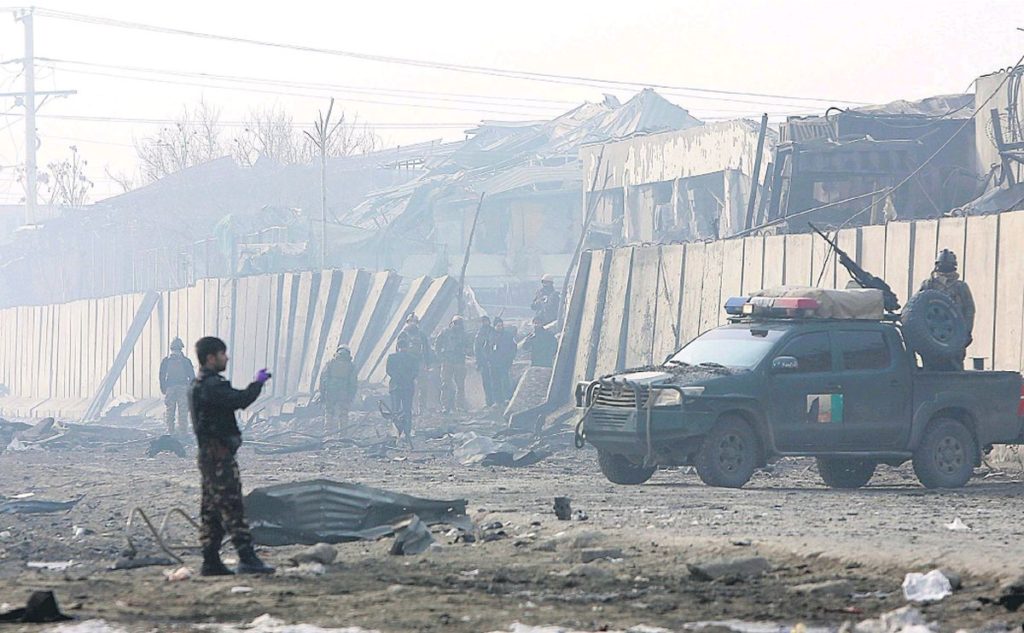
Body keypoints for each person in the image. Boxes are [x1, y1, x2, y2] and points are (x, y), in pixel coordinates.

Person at [188, 336, 274, 576]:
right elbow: (240, 400)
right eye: (222, 354)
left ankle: (211, 560)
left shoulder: (200, 384)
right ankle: (247, 557)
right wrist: (257, 384)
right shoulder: (212, 385)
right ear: (211, 357)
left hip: (209, 456)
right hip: (219, 456)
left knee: (212, 508)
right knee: (232, 505)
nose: (226, 358)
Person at [919, 249, 976, 368]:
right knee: (930, 369)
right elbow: (917, 307)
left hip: (954, 334)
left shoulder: (960, 287)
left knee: (954, 369)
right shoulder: (928, 285)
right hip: (932, 334)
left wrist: (966, 332)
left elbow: (969, 311)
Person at [386, 337, 419, 448]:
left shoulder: (392, 357)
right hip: (407, 387)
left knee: (396, 410)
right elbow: (415, 372)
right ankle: (406, 432)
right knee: (406, 410)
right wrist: (407, 379)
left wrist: (398, 378)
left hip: (396, 387)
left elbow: (389, 371)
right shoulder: (413, 358)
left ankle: (397, 433)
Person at [159, 337, 196, 436]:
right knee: (183, 411)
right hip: (183, 388)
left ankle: (170, 431)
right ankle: (183, 432)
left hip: (170, 388)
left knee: (170, 411)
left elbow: (161, 376)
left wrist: (163, 388)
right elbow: (192, 376)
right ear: (181, 348)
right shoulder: (186, 361)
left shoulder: (166, 361)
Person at [397, 313, 433, 412]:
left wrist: (427, 363)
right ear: (407, 322)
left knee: (423, 386)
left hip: (419, 362)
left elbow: (426, 349)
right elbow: (398, 351)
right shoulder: (402, 335)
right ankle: (409, 408)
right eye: (411, 322)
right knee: (408, 386)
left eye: (415, 322)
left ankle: (422, 408)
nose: (413, 324)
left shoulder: (421, 335)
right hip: (406, 364)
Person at [318, 346, 358, 434]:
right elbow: (353, 383)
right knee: (343, 412)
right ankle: (343, 433)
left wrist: (322, 392)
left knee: (329, 411)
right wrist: (351, 395)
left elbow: (323, 378)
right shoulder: (351, 366)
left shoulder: (330, 363)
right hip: (344, 392)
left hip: (330, 391)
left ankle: (327, 432)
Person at [435, 316, 470, 413]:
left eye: (459, 323)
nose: (457, 325)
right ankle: (445, 406)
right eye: (455, 323)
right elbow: (437, 344)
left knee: (460, 385)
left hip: (459, 362)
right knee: (445, 384)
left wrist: (464, 350)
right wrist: (440, 357)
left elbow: (469, 347)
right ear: (451, 323)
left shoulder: (464, 335)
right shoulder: (445, 332)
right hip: (447, 362)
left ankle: (460, 406)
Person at [490, 318, 518, 406]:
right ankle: (497, 401)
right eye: (498, 326)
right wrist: (488, 359)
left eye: (501, 325)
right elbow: (485, 348)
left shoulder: (508, 336)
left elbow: (514, 348)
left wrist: (510, 358)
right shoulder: (490, 335)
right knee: (495, 382)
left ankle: (507, 398)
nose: (500, 327)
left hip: (505, 363)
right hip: (493, 363)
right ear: (494, 326)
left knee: (505, 381)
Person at [474, 316, 496, 408]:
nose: (485, 323)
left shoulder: (494, 332)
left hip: (494, 361)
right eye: (483, 321)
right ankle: (489, 401)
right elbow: (476, 348)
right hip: (484, 361)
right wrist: (478, 361)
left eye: (486, 321)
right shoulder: (480, 333)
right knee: (486, 382)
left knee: (495, 381)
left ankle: (496, 400)